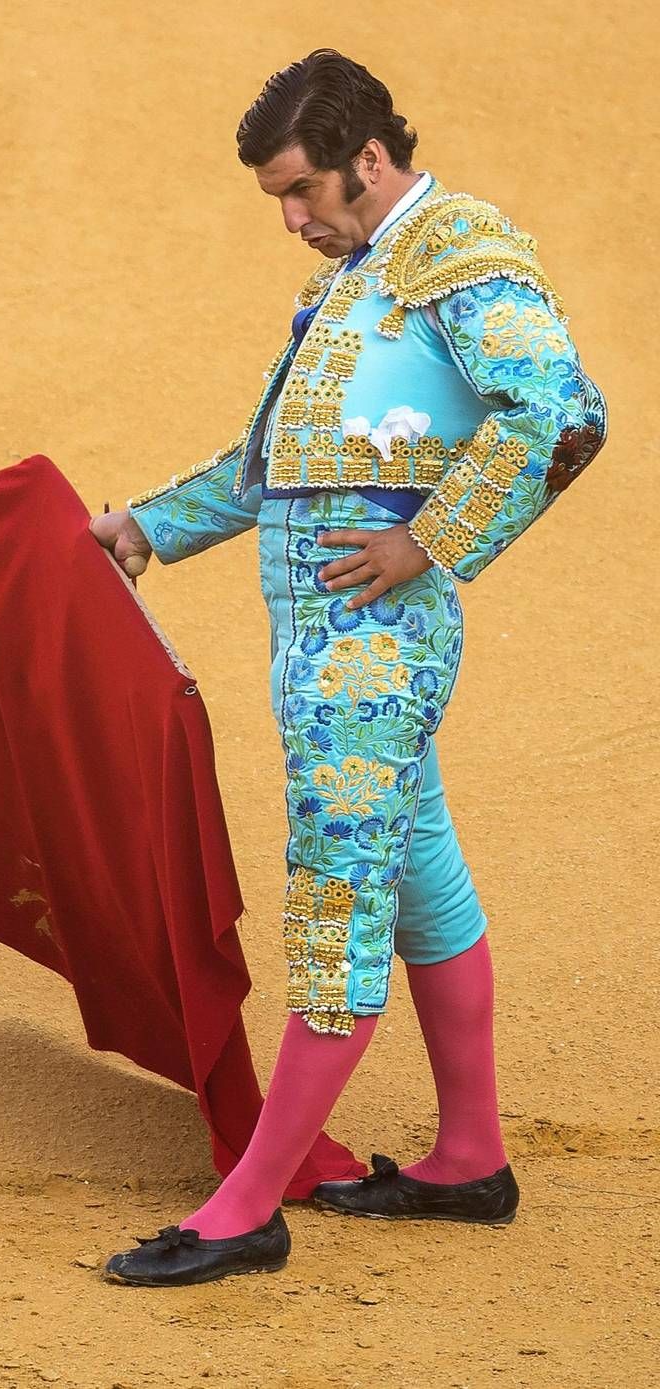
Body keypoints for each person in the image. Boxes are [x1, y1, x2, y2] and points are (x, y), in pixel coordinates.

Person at [89, 49, 606, 1286]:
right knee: (418, 882)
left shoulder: (461, 249)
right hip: (328, 645)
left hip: (371, 655)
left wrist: (430, 539)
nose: (291, 218)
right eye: (279, 195)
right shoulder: (361, 278)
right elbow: (282, 469)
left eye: (304, 190)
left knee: (340, 895)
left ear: (369, 158)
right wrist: (146, 527)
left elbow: (560, 413)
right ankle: (470, 1157)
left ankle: (247, 1208)